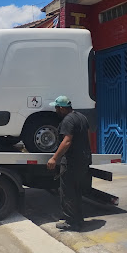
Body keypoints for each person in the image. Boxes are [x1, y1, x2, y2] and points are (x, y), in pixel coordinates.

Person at [47, 95, 92, 231]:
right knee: (77, 191)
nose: (55, 111)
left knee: (67, 192)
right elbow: (88, 135)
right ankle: (78, 219)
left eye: (56, 108)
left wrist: (54, 158)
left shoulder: (68, 120)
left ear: (61, 108)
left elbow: (67, 141)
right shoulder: (82, 117)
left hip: (72, 161)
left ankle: (71, 222)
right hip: (83, 159)